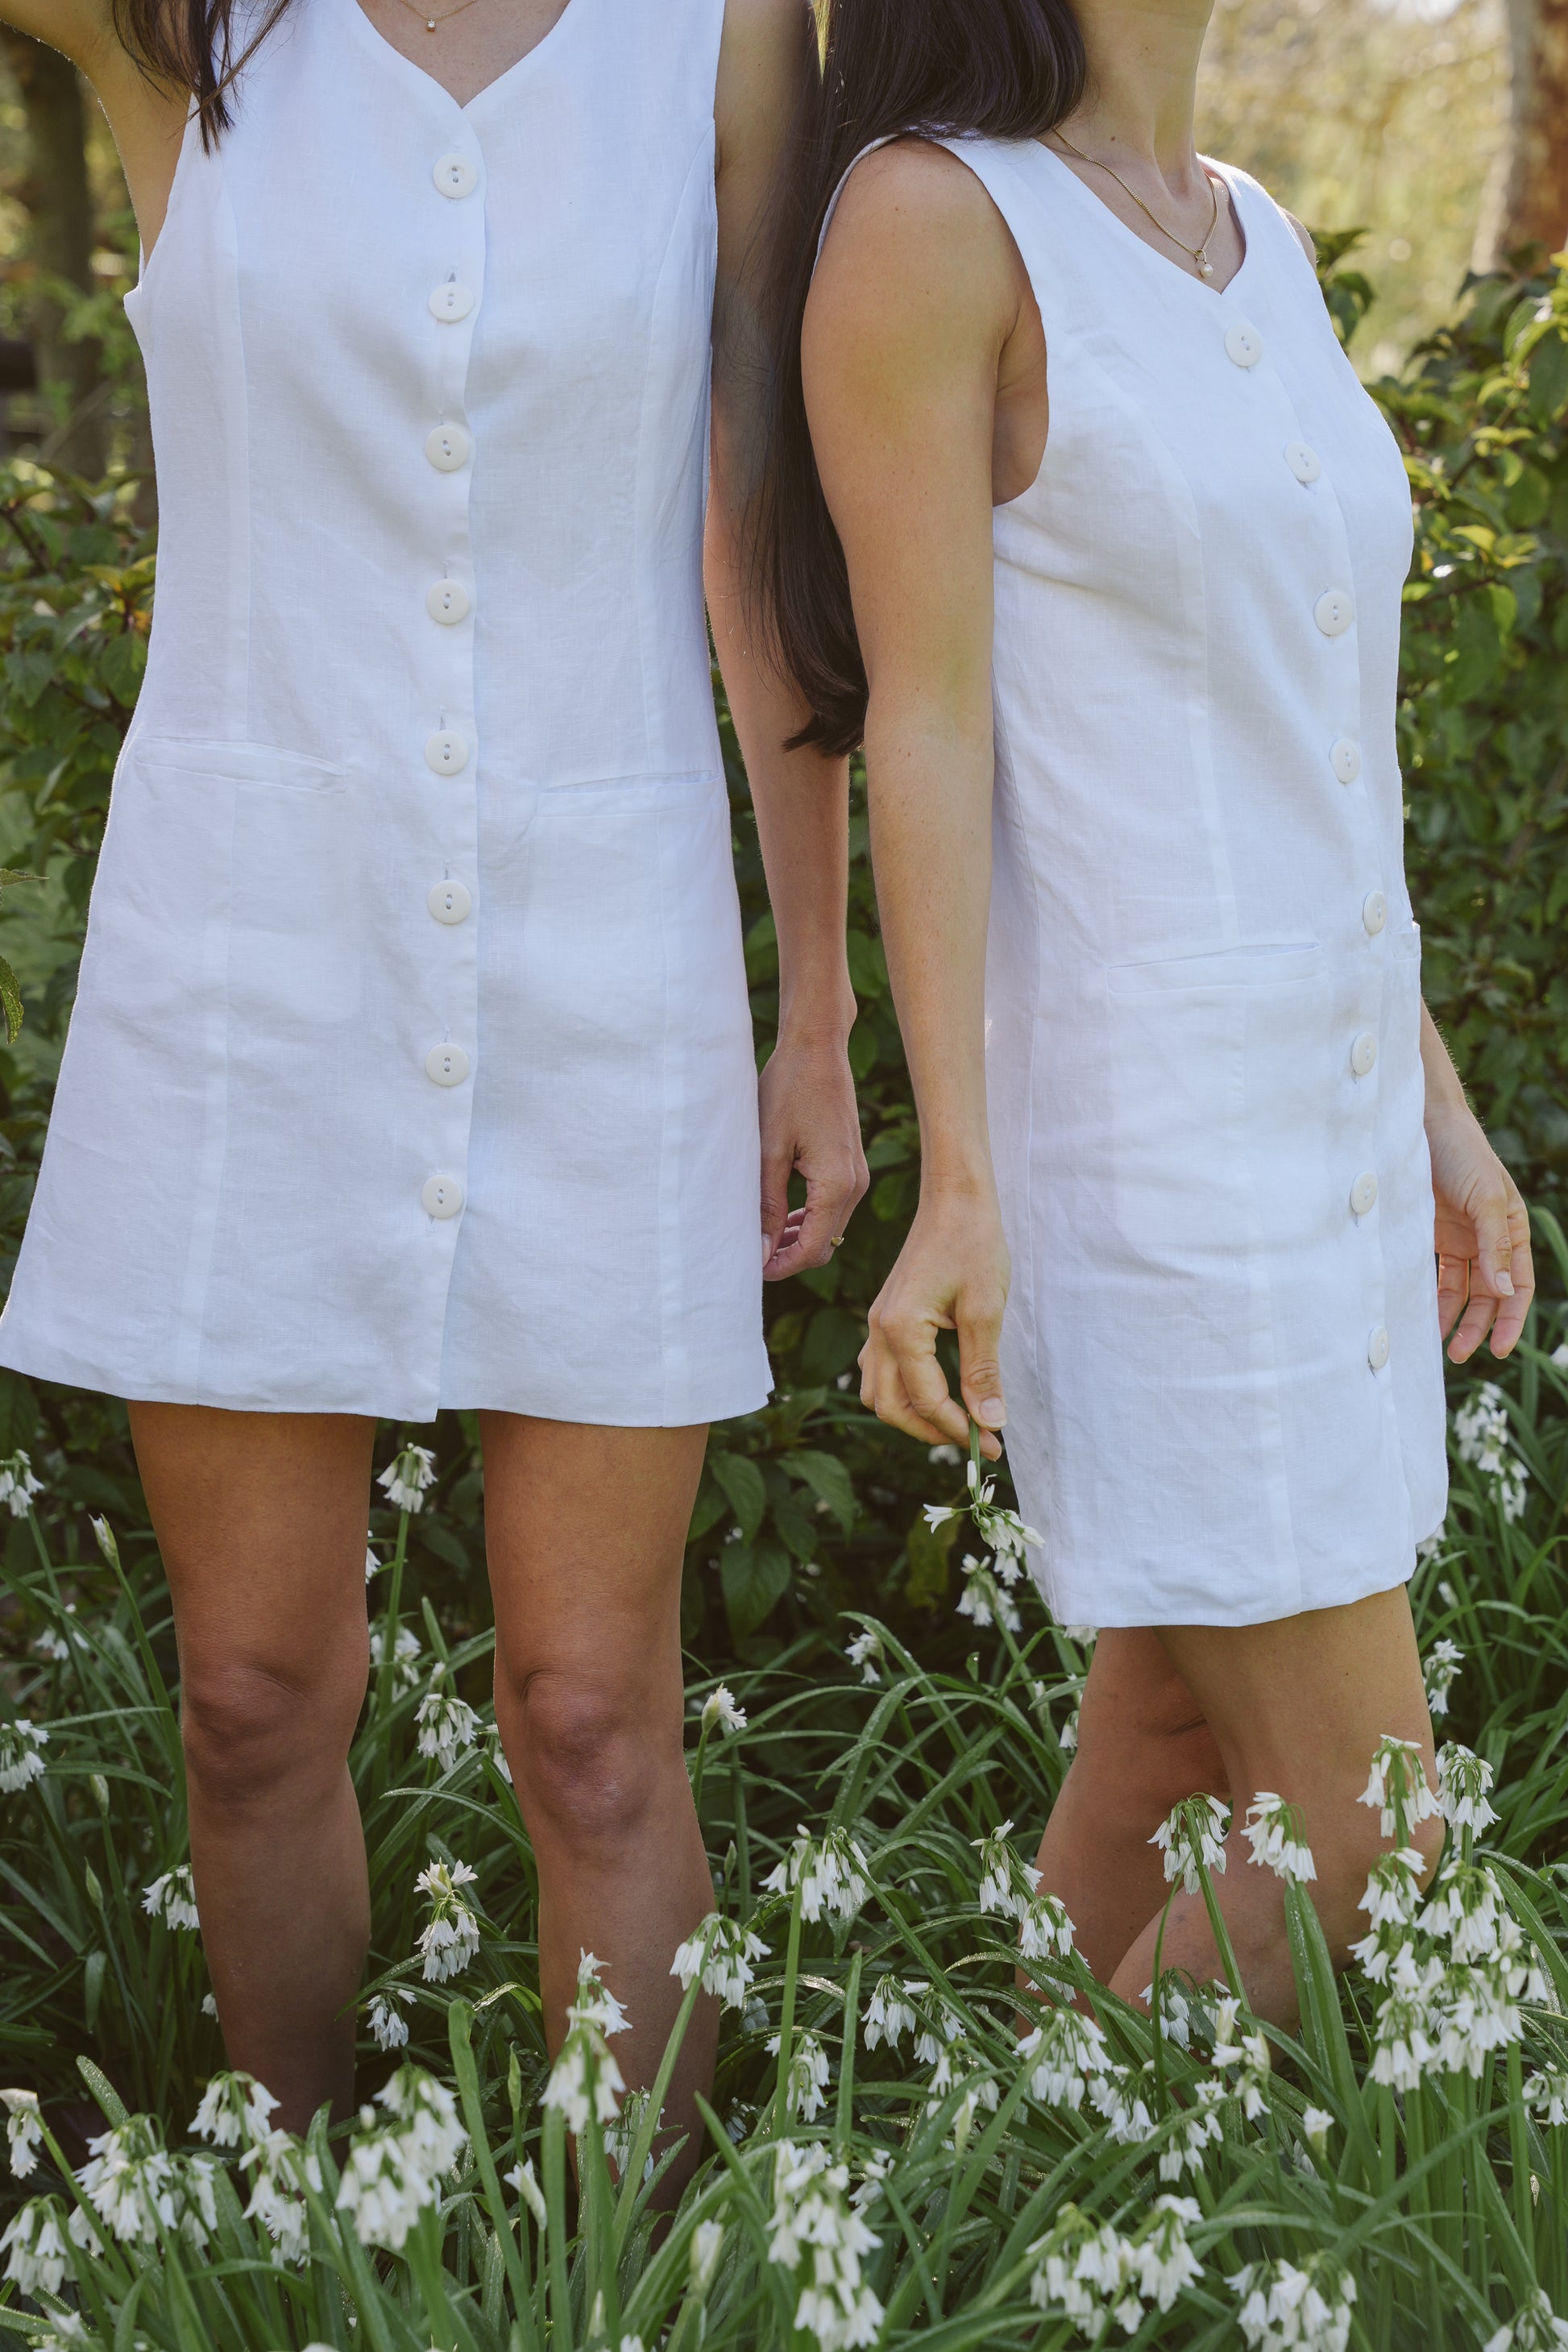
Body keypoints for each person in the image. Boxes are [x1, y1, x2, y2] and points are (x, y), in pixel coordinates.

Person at [0, 0, 868, 2165]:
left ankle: (641, 2280)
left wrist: (816, 1005)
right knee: (252, 1702)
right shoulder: (181, 29)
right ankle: (298, 2229)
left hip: (611, 947)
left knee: (593, 1723)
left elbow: (761, 545)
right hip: (245, 955)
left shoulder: (721, 33)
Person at [760, 0, 1534, 2018]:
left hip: (1334, 1112)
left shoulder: (1252, 232)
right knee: (1369, 1848)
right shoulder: (932, 224)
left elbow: (1311, 750)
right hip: (1154, 1144)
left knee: (1171, 1759)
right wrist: (957, 1180)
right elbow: (923, 733)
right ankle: (1006, 2281)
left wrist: (1436, 1107)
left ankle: (918, 2238)